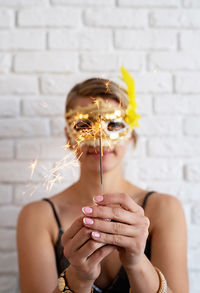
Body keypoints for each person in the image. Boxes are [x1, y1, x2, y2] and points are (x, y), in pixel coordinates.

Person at [17, 69, 189, 293]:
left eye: (114, 125)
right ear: (69, 137)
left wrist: (137, 263)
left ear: (131, 134)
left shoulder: (165, 209)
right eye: (83, 126)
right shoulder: (38, 216)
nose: (99, 138)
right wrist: (78, 277)